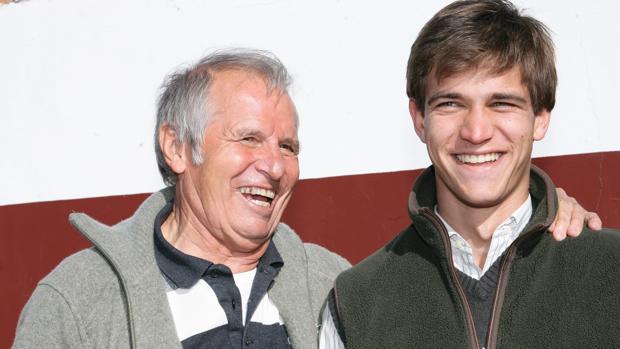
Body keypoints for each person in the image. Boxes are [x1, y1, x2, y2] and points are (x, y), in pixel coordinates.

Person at [12, 48, 597, 349]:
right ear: (177, 147)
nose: (273, 165)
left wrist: (544, 219)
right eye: (248, 139)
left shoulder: (334, 287)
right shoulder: (77, 303)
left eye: (288, 145)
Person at [320, 1, 620, 348]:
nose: (476, 132)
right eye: (451, 103)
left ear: (540, 117)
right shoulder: (356, 302)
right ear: (420, 119)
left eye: (502, 103)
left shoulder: (611, 273)